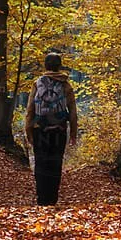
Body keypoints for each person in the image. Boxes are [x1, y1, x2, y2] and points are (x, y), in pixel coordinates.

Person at [24, 51, 78, 206]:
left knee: (40, 163)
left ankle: (42, 199)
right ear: (59, 66)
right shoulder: (65, 85)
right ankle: (52, 200)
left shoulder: (37, 83)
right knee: (55, 164)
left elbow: (30, 110)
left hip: (40, 130)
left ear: (45, 65)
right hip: (59, 131)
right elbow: (72, 111)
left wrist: (29, 131)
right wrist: (73, 133)